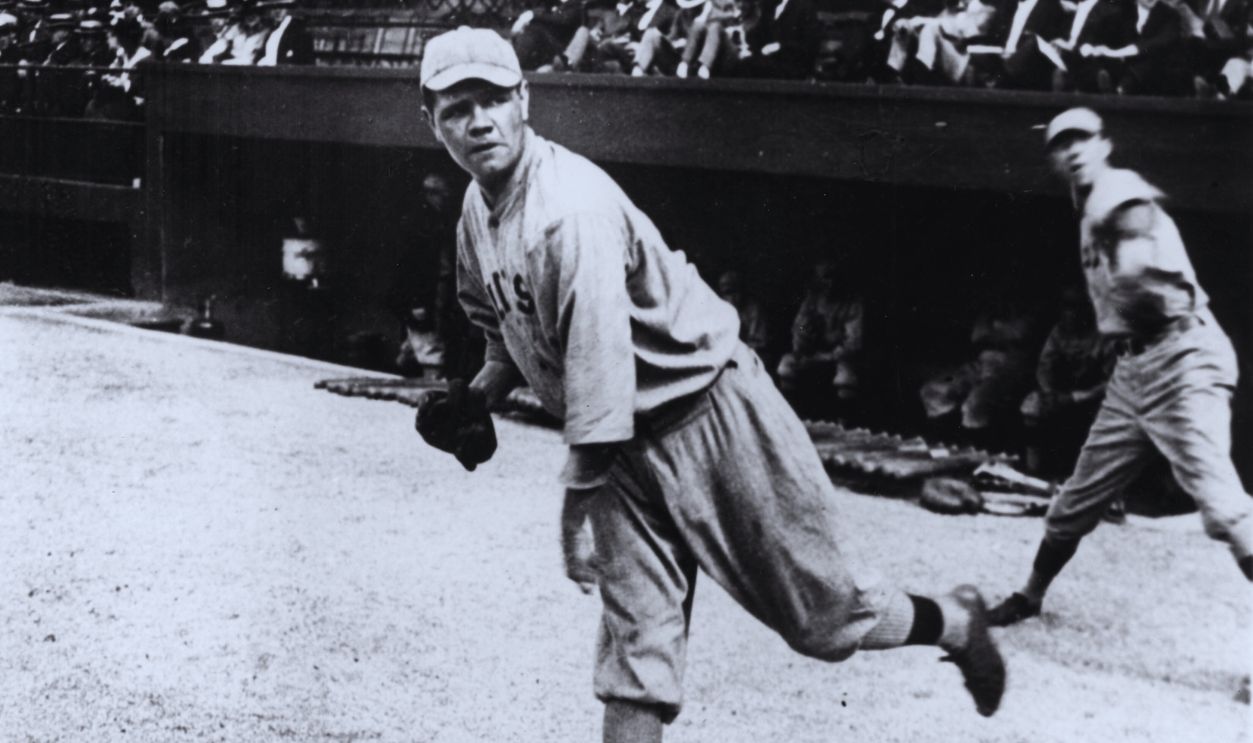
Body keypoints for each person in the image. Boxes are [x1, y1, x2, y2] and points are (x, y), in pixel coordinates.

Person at [416, 26, 1006, 743]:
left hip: (709, 415)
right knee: (636, 655)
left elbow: (601, 377)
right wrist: (478, 392)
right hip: (618, 449)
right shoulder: (477, 211)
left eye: (493, 100)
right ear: (431, 120)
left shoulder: (567, 212)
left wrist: (570, 513)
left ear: (524, 100)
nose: (479, 121)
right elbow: (503, 330)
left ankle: (955, 619)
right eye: (457, 108)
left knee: (824, 618)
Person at [988, 107, 1253, 627]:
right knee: (1074, 503)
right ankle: (1030, 595)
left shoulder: (1114, 187)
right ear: (1054, 161)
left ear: (1105, 145)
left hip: (1184, 358)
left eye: (1084, 139)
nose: (1075, 151)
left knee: (1224, 509)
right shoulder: (1083, 202)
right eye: (1063, 145)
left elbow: (1134, 220)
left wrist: (1134, 260)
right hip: (1135, 370)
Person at [1019, 285, 1119, 478]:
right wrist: (1049, 393)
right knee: (1032, 407)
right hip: (1062, 394)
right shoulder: (1059, 332)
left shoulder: (1105, 337)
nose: (1070, 312)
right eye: (1066, 306)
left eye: (1076, 306)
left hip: (1096, 398)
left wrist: (1075, 398)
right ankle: (1034, 473)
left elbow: (1113, 382)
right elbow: (1044, 367)